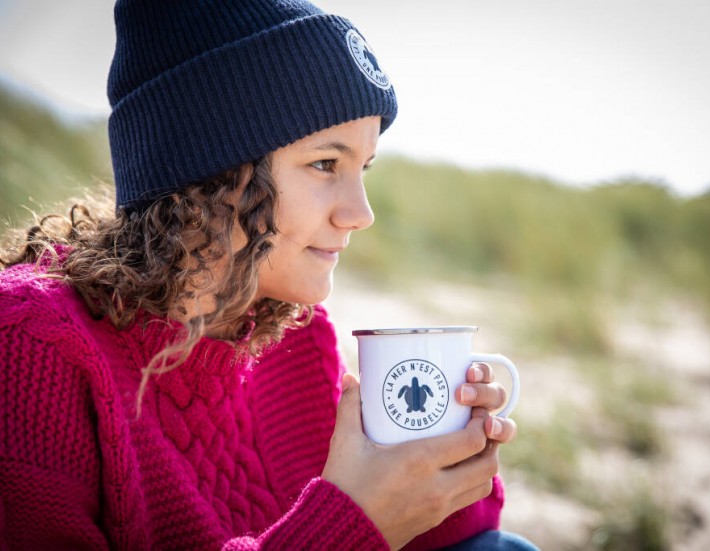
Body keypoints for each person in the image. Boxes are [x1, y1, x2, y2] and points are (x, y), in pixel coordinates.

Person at [0, 1, 538, 549]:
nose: (361, 212)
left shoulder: (295, 336)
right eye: (326, 164)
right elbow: (352, 530)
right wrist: (349, 525)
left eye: (364, 168)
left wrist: (443, 454)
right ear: (207, 171)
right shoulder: (31, 345)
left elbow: (428, 534)